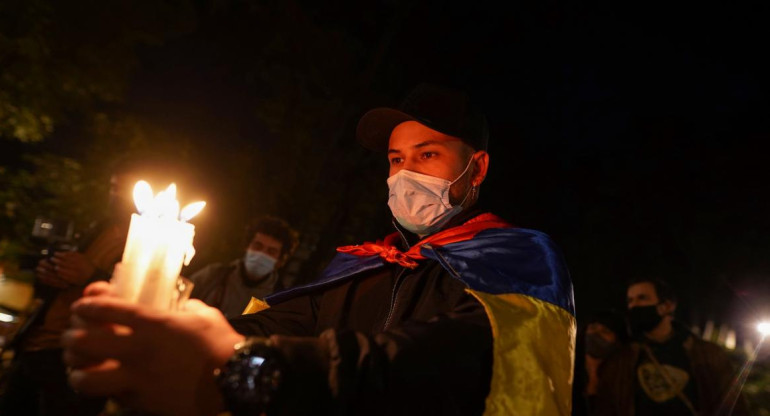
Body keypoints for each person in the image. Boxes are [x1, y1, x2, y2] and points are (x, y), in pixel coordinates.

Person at [62, 84, 576, 416]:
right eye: (396, 159)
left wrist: (247, 366)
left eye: (428, 155)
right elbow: (281, 324)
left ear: (477, 169)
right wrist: (166, 331)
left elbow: (440, 365)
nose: (405, 175)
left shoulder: (521, 261)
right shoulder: (365, 264)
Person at [0, 161, 136, 416]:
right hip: (35, 347)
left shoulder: (146, 244)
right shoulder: (99, 228)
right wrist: (49, 272)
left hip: (74, 357)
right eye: (112, 187)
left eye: (123, 189)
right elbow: (63, 283)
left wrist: (92, 275)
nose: (114, 195)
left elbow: (137, 302)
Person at [594, 277, 748, 416]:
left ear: (667, 306)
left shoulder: (708, 353)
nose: (634, 305)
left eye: (642, 298)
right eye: (630, 301)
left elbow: (733, 406)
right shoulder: (622, 358)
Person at [189, 216, 299, 318]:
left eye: (271, 251)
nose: (262, 254)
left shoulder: (279, 301)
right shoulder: (214, 275)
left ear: (280, 261)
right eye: (257, 246)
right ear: (247, 246)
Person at [572, 309, 627, 416]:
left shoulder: (623, 377)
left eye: (605, 331)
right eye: (593, 328)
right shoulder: (569, 372)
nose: (596, 334)